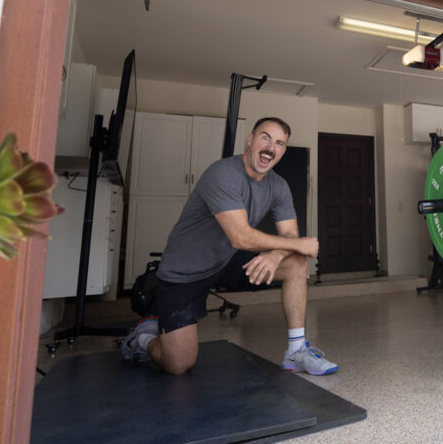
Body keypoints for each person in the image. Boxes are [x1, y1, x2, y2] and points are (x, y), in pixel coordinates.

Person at [121, 117, 338, 376]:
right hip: (185, 271)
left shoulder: (278, 186)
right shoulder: (223, 173)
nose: (271, 147)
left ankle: (296, 351)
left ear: (282, 151)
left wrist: (275, 255)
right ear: (251, 140)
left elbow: (290, 235)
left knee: (295, 264)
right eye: (265, 137)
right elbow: (241, 237)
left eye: (279, 143)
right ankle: (144, 336)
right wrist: (299, 244)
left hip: (226, 260)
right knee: (178, 364)